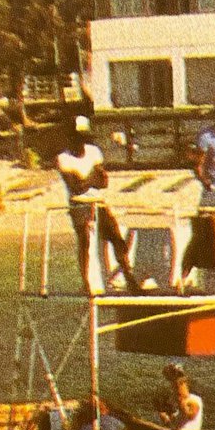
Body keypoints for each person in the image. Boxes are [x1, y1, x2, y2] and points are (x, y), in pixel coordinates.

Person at [56, 115, 141, 295]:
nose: (80, 141)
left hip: (98, 201)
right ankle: (86, 281)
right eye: (77, 137)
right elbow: (75, 187)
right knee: (85, 239)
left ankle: (129, 276)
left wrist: (86, 179)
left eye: (83, 137)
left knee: (116, 237)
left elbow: (103, 181)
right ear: (71, 136)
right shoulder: (63, 158)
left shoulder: (93, 151)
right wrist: (91, 178)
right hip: (79, 205)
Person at [158, 363, 204, 430]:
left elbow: (190, 414)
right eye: (173, 387)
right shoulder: (178, 402)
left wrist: (180, 403)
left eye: (176, 387)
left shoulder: (193, 401)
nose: (174, 390)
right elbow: (176, 423)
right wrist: (166, 419)